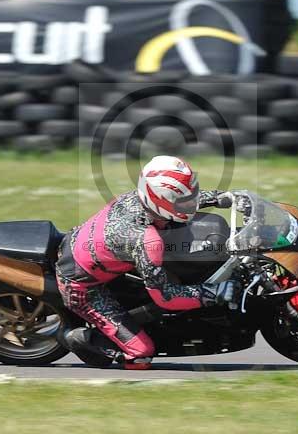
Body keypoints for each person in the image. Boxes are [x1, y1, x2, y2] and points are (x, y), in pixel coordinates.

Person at [56, 155, 243, 370]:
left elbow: (178, 203)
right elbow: (166, 298)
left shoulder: (140, 198)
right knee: (141, 356)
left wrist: (224, 198)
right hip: (81, 287)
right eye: (187, 197)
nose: (192, 199)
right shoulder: (146, 241)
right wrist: (213, 293)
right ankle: (80, 338)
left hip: (88, 251)